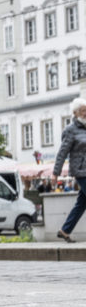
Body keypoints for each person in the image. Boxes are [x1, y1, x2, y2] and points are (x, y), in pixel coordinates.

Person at [54, 98, 86, 243]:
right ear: (75, 113)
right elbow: (62, 153)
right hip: (81, 171)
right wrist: (56, 172)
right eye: (83, 111)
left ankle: (65, 230)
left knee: (82, 203)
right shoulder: (70, 130)